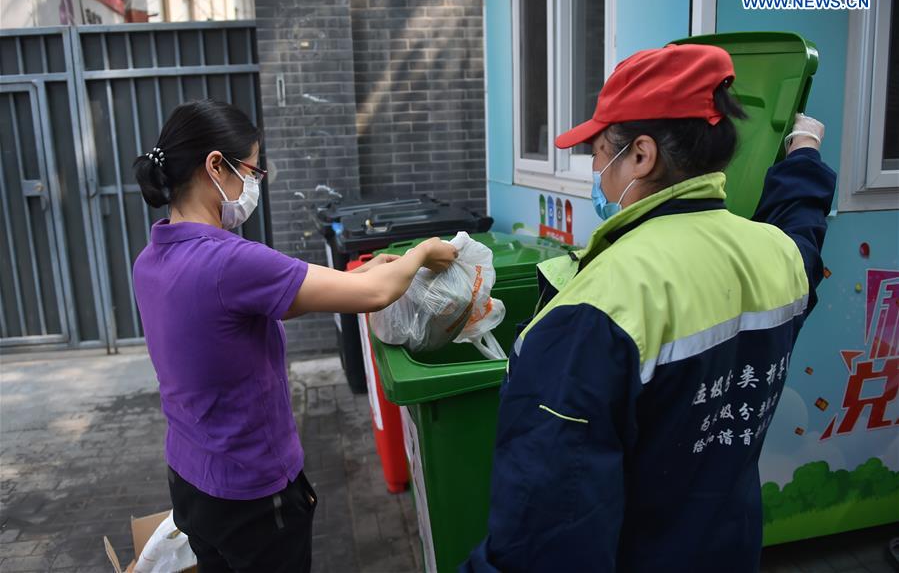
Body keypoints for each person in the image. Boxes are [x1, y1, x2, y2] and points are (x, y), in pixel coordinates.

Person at [464, 44, 836, 572]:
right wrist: (803, 155)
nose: (595, 170)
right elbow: (804, 230)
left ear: (641, 155)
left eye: (597, 152)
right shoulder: (777, 256)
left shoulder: (598, 307)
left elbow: (548, 529)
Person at [131, 99, 457, 572]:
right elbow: (374, 294)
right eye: (253, 171)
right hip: (252, 495)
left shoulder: (151, 260)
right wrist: (424, 250)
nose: (255, 185)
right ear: (216, 166)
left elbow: (238, 313)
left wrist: (361, 276)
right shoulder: (229, 262)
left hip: (190, 481)